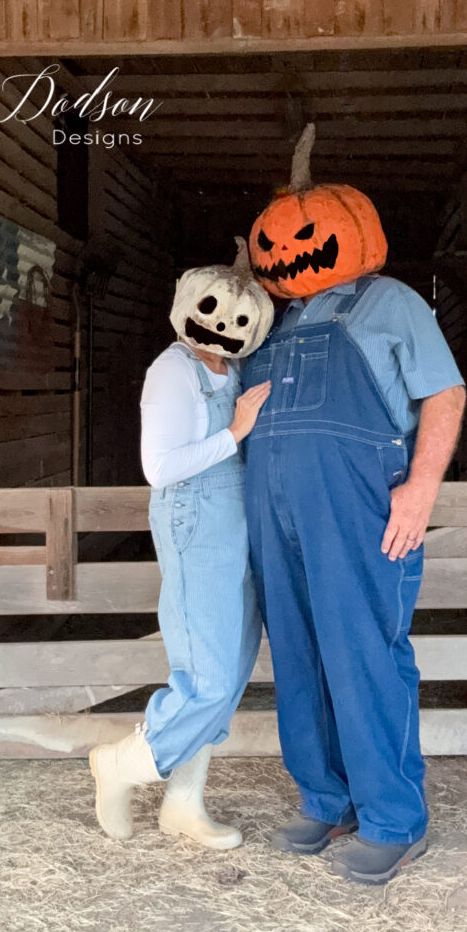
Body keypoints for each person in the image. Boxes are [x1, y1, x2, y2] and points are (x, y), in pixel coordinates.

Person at [242, 125, 467, 884]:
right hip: (274, 517)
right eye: (272, 241)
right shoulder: (266, 322)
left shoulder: (389, 301)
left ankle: (395, 820)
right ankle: (324, 797)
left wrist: (420, 487)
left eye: (300, 235)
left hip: (359, 511)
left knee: (364, 655)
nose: (286, 251)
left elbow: (444, 391)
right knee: (299, 658)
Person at [90, 239, 273, 849]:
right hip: (195, 515)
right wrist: (236, 431)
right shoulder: (173, 369)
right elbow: (160, 467)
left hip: (234, 516)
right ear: (186, 305)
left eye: (238, 320)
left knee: (236, 659)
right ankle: (119, 764)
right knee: (208, 674)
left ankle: (184, 804)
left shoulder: (229, 366)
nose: (222, 327)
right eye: (213, 311)